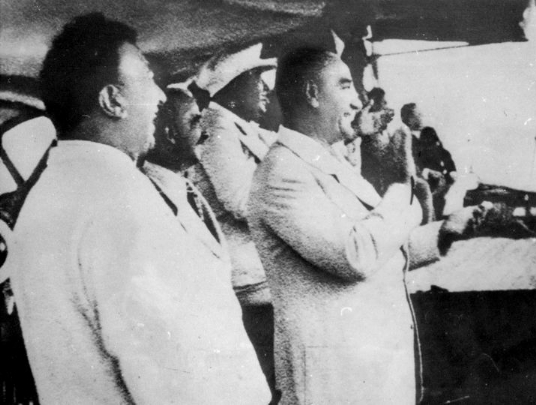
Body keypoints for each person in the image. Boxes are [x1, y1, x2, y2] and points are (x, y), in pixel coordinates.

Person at [6, 13, 269, 405]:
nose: (160, 97)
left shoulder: (45, 197)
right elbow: (185, 383)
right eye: (147, 78)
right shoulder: (124, 204)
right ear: (113, 100)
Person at [247, 47, 491, 405]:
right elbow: (355, 255)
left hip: (368, 370)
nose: (357, 101)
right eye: (345, 86)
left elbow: (381, 245)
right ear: (312, 93)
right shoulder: (282, 171)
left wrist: (444, 232)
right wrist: (398, 185)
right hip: (334, 381)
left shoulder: (324, 162)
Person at [188, 43, 279, 402]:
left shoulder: (242, 129)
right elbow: (239, 200)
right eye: (256, 78)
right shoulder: (217, 129)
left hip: (262, 274)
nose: (265, 88)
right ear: (233, 86)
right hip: (249, 281)